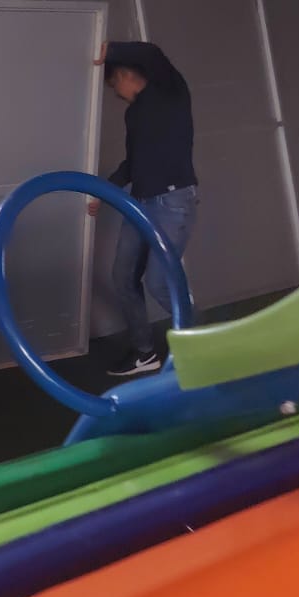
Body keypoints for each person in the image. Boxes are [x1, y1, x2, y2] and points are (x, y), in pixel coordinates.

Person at [88, 40, 198, 377]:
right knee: (123, 277)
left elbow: (151, 53)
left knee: (160, 283)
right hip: (141, 203)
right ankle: (144, 352)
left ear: (124, 74)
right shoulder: (134, 114)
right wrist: (102, 192)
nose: (116, 94)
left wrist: (109, 50)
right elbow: (133, 164)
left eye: (114, 86)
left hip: (173, 201)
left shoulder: (170, 90)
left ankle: (202, 346)